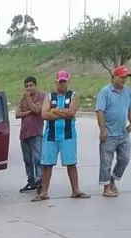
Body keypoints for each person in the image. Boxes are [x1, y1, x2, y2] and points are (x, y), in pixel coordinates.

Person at [33, 70, 89, 201]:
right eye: (60, 82)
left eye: (64, 81)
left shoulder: (73, 95)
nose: (62, 84)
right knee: (47, 165)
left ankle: (76, 190)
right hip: (51, 136)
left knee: (71, 164)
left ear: (68, 81)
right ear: (56, 82)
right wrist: (63, 113)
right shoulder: (49, 96)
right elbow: (44, 115)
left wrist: (55, 110)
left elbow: (71, 112)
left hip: (68, 135)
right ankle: (44, 192)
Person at [95, 66, 131, 198]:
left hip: (123, 133)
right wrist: (102, 130)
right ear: (114, 76)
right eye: (122, 77)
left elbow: (129, 109)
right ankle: (106, 188)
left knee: (125, 159)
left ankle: (112, 179)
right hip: (109, 133)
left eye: (125, 77)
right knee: (106, 162)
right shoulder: (105, 92)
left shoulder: (127, 91)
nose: (124, 80)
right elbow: (99, 111)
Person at [15, 76, 45, 192]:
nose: (28, 88)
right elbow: (17, 114)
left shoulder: (41, 96)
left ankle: (40, 181)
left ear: (35, 86)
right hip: (24, 133)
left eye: (31, 85)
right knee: (27, 160)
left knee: (37, 159)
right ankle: (30, 181)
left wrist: (28, 100)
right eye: (26, 86)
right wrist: (29, 111)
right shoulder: (23, 98)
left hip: (36, 132)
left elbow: (37, 110)